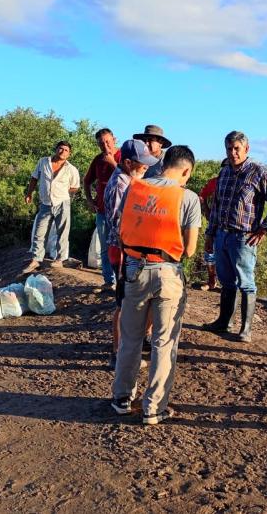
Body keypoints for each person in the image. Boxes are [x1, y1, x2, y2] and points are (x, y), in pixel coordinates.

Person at [111, 145, 201, 425]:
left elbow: (122, 230)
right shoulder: (188, 197)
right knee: (164, 341)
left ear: (163, 164)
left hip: (134, 269)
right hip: (167, 274)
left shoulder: (134, 188)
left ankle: (122, 399)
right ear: (186, 170)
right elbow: (189, 250)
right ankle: (154, 408)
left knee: (130, 338)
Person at [202, 131, 267, 342]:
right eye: (229, 149)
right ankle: (224, 321)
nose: (233, 153)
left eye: (236, 148)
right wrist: (210, 234)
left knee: (246, 283)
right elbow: (216, 207)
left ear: (246, 149)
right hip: (222, 234)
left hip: (244, 238)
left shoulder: (258, 172)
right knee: (226, 282)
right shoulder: (224, 173)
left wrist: (266, 228)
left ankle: (245, 330)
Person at [103, 139, 155, 369]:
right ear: (127, 162)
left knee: (133, 302)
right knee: (123, 304)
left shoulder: (130, 181)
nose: (145, 167)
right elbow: (118, 224)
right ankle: (117, 354)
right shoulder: (119, 186)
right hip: (122, 251)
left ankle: (129, 348)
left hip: (130, 249)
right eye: (141, 163)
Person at [21, 141, 81, 273]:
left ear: (69, 154)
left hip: (62, 203)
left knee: (63, 232)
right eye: (61, 148)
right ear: (56, 149)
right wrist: (29, 193)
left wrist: (63, 192)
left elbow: (75, 186)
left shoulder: (71, 169)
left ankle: (60, 259)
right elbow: (34, 178)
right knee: (40, 231)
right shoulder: (43, 162)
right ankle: (36, 259)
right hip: (45, 203)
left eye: (66, 150)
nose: (63, 151)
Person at [83, 129, 121, 289]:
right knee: (105, 246)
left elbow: (131, 179)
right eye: (101, 143)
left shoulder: (124, 156)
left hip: (120, 211)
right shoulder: (97, 160)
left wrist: (113, 163)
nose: (105, 145)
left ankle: (123, 283)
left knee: (120, 247)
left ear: (114, 139)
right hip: (102, 211)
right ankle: (108, 281)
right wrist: (90, 201)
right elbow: (87, 181)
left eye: (107, 141)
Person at [198, 170, 221, 291]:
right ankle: (212, 281)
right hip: (214, 223)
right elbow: (202, 195)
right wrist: (207, 211)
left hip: (231, 226)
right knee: (210, 253)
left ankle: (228, 285)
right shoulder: (215, 182)